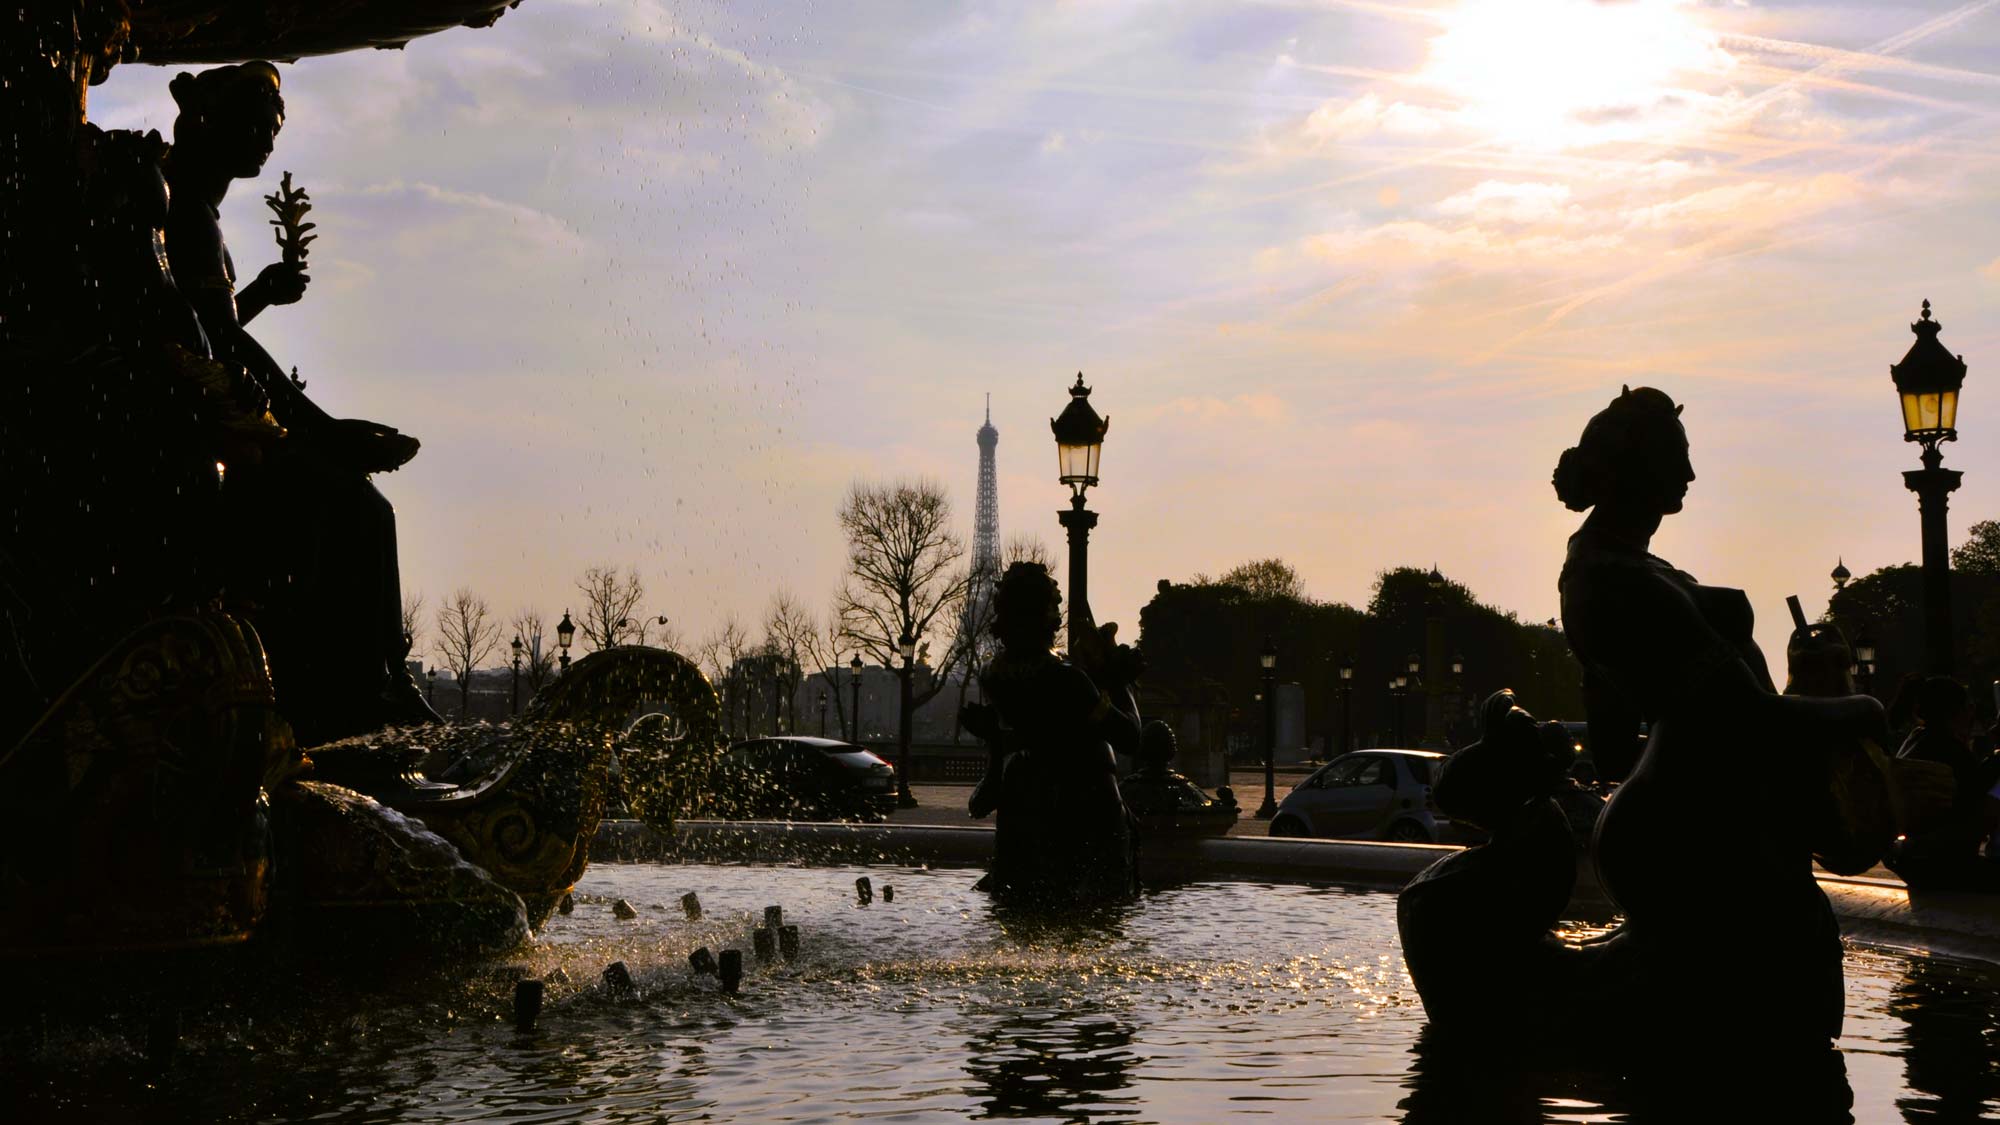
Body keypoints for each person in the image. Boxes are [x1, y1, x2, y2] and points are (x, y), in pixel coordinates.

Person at [1555, 386, 1888, 1067]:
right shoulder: (1623, 582)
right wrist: (1863, 709)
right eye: (1677, 456)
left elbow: (1626, 735)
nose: (1691, 474)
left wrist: (1807, 685)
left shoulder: (1624, 567)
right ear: (1633, 466)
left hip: (1691, 819)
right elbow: (1746, 719)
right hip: (1693, 833)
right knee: (1757, 1044)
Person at [162, 62, 434, 743]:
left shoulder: (194, 210)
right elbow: (220, 346)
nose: (266, 142)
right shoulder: (187, 214)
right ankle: (364, 692)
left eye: (273, 130)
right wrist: (325, 430)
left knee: (356, 501)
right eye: (254, 126)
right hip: (207, 440)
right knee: (363, 510)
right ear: (211, 123)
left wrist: (255, 293)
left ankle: (367, 681)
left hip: (214, 429)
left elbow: (211, 333)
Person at [960, 562, 1140, 906]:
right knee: (1094, 918)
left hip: (1023, 795)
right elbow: (1130, 737)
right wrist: (1119, 681)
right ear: (1045, 614)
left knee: (1020, 913)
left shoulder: (994, 677)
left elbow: (1009, 741)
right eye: (1055, 606)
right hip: (1088, 804)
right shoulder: (1069, 680)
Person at [1889, 676, 2000, 890]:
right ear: (1959, 711)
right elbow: (1977, 795)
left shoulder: (1917, 739)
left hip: (1912, 857)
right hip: (1943, 863)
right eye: (1970, 707)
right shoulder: (1949, 749)